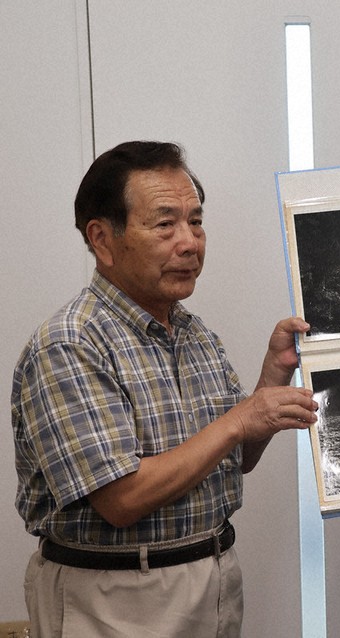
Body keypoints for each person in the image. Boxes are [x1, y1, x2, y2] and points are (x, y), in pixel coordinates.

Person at [12, 140, 318, 636]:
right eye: (164, 224)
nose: (189, 243)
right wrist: (241, 418)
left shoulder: (195, 334)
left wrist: (272, 378)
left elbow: (233, 457)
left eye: (195, 222)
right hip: (113, 598)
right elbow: (122, 499)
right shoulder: (71, 342)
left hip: (213, 578)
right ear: (102, 239)